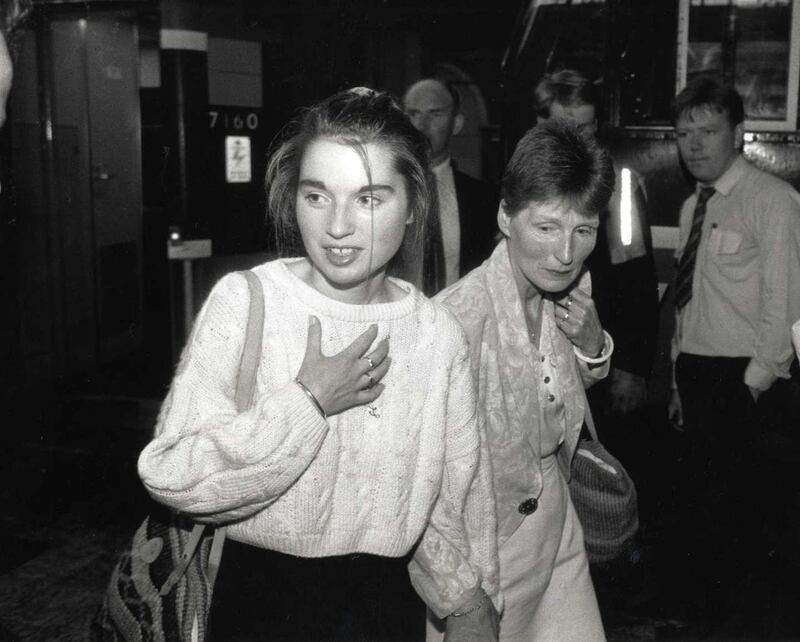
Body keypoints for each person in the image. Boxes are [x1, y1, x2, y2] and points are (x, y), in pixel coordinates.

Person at [137, 87, 500, 641]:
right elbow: (173, 472)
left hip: (385, 610)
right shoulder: (248, 301)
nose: (337, 226)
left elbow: (456, 498)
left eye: (369, 199)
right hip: (261, 606)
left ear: (411, 207)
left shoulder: (435, 334)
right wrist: (306, 402)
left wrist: (472, 604)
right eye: (317, 196)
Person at [434, 120, 615, 641]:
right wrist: (459, 595)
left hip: (559, 532)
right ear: (505, 217)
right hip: (487, 548)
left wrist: (593, 344)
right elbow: (429, 489)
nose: (566, 253)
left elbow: (557, 393)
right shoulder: (454, 321)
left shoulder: (571, 290)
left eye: (584, 231)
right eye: (547, 227)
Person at [668, 76, 800, 620]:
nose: (694, 144)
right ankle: (706, 622)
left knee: (745, 525)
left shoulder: (773, 201)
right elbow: (685, 306)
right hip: (698, 374)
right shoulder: (690, 207)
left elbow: (788, 303)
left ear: (739, 134)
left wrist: (754, 384)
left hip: (744, 382)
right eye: (683, 133)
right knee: (702, 520)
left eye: (708, 130)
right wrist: (678, 381)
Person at [533, 69, 659, 427]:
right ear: (540, 124)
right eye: (565, 128)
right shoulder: (523, 184)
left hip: (597, 356)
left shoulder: (617, 191)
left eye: (585, 129)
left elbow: (637, 282)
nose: (577, 140)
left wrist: (632, 368)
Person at [403, 78, 498, 294]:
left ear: (456, 123)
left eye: (435, 114)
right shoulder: (384, 193)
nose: (421, 126)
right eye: (413, 114)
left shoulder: (484, 200)